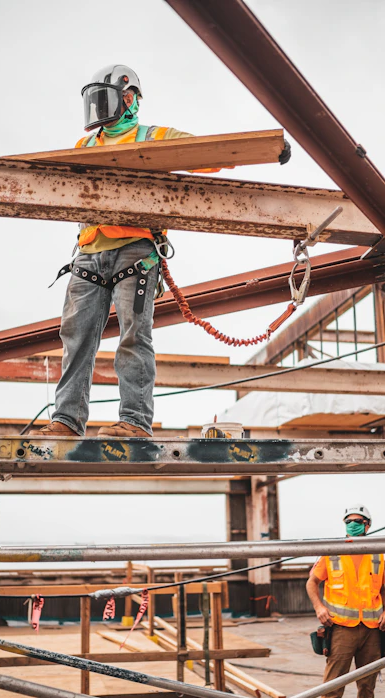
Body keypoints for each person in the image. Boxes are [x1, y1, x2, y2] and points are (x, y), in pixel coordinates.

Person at [33, 64, 290, 439]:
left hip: (135, 253)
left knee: (135, 336)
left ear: (128, 98)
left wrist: (265, 150)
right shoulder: (85, 146)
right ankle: (67, 421)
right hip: (89, 254)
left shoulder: (155, 137)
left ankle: (135, 421)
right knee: (76, 337)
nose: (99, 109)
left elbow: (207, 154)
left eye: (105, 99)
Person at [305, 506, 385, 698]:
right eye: (348, 521)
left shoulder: (377, 554)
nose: (352, 524)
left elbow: (382, 588)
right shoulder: (333, 552)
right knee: (332, 687)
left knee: (367, 688)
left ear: (368, 525)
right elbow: (311, 582)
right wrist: (319, 608)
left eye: (358, 521)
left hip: (373, 630)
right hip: (342, 628)